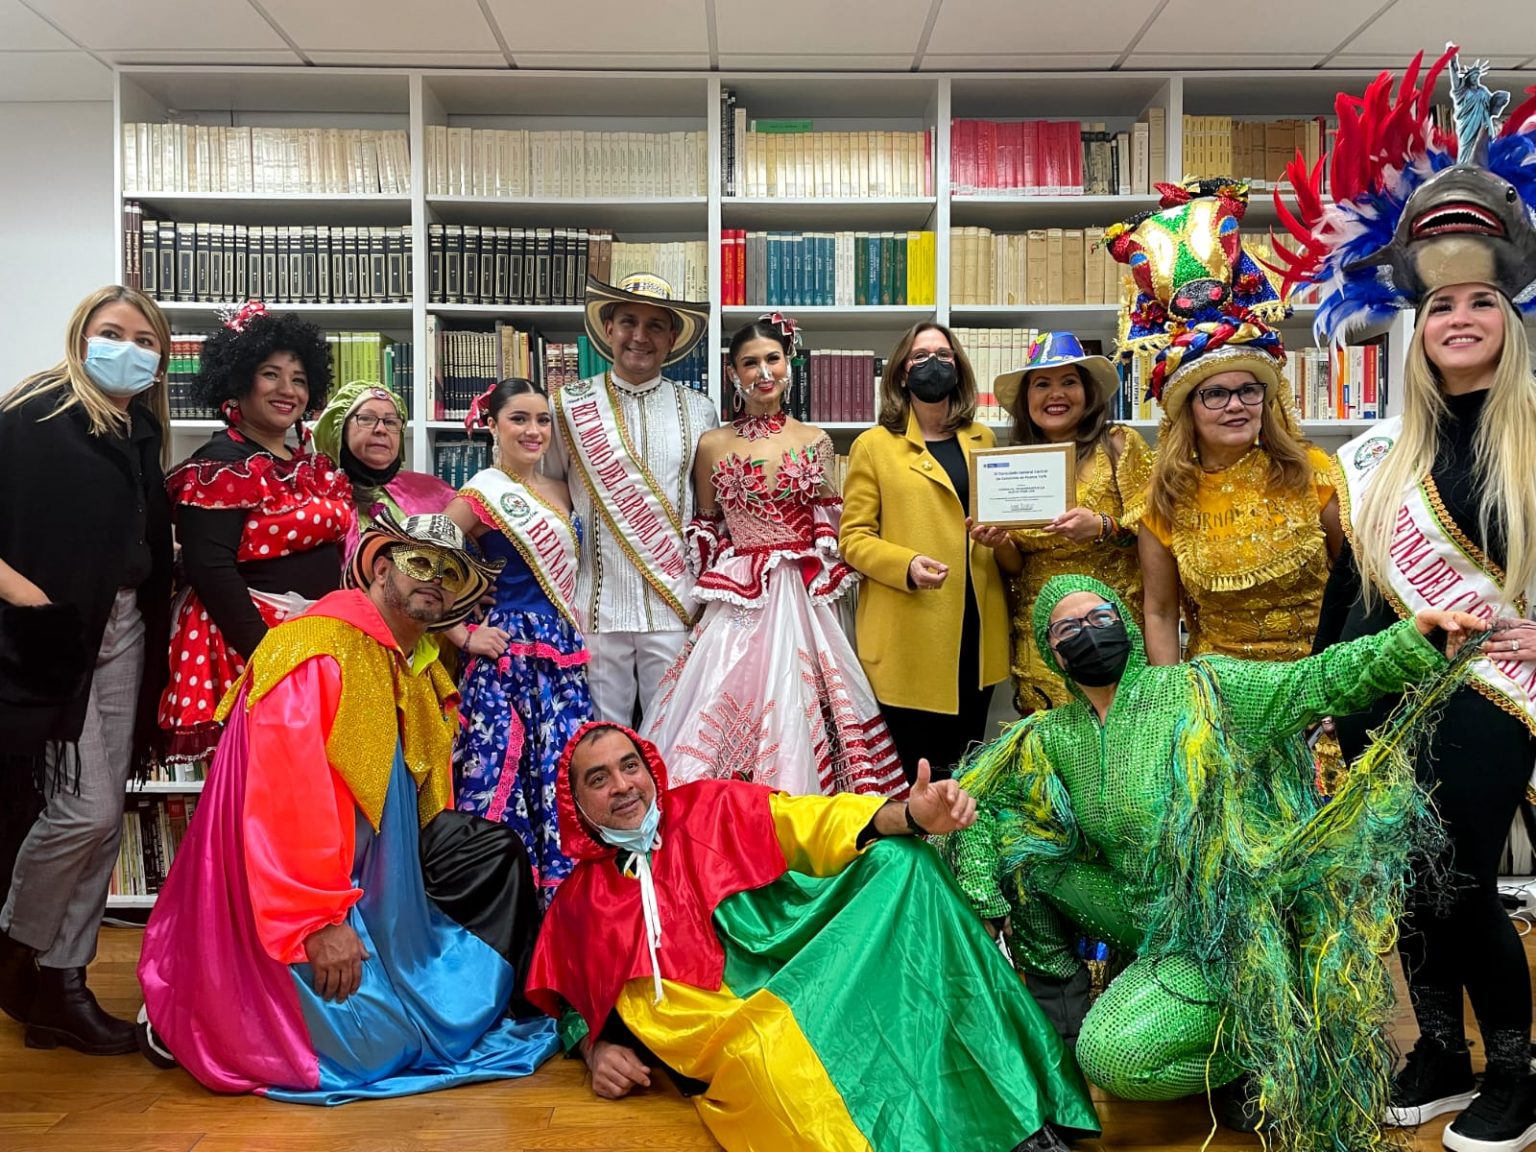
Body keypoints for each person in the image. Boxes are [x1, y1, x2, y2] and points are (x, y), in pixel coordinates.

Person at [949, 573, 1487, 1152]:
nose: (1088, 634)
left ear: (1125, 624)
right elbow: (976, 804)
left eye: (1100, 618)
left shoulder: (1202, 689)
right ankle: (1061, 1040)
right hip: (1135, 915)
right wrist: (983, 904)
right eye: (1068, 629)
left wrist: (1410, 641)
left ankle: (1270, 1039)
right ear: (1051, 654)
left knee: (1117, 1058)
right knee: (1027, 855)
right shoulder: (1050, 735)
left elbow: (1313, 681)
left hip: (1219, 928)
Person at [1276, 46, 1536, 1151]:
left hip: (1497, 686)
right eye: (1441, 308)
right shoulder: (1386, 456)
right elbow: (1360, 587)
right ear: (1415, 331)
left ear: (1510, 320)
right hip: (1396, 683)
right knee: (1406, 881)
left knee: (1462, 875)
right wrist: (1339, 696)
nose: (1459, 318)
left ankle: (1519, 1073)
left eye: (1481, 300)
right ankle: (1436, 1048)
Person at [136, 511, 560, 1101]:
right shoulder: (319, 647)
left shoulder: (405, 658)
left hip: (376, 873)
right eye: (419, 564)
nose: (433, 579)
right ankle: (198, 1006)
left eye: (451, 572)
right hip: (294, 895)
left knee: (493, 857)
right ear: (380, 568)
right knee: (372, 1049)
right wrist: (318, 922)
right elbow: (286, 796)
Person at [527, 721, 1100, 1152]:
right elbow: (576, 994)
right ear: (576, 805)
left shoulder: (710, 808)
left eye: (630, 767)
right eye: (597, 780)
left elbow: (811, 821)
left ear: (650, 769)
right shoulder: (577, 904)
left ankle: (1019, 1119)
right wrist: (594, 1047)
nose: (623, 787)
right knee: (779, 1071)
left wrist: (908, 817)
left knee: (903, 864)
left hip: (800, 968)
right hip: (729, 1037)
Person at [0, 285, 173, 1055]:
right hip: (54, 638)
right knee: (86, 812)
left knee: (105, 821)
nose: (128, 348)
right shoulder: (34, 416)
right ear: (81, 335)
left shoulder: (139, 430)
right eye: (112, 332)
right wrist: (29, 598)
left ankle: (61, 989)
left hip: (126, 630)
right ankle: (15, 951)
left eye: (144, 338)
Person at [641, 315, 905, 797]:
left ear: (788, 365)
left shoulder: (815, 439)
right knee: (721, 693)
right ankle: (729, 808)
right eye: (749, 363)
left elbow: (831, 521)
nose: (763, 372)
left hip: (804, 591)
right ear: (733, 374)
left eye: (772, 359)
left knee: (808, 697)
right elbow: (707, 524)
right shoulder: (713, 444)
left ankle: (807, 809)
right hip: (740, 592)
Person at [1105, 180, 1341, 668]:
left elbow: (1355, 585)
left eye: (1248, 390)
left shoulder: (1310, 471)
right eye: (1215, 393)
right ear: (1188, 407)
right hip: (1220, 702)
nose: (1236, 405)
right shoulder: (1164, 498)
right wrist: (1173, 705)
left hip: (1319, 690)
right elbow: (1161, 611)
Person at [158, 301, 354, 769]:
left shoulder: (304, 463)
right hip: (250, 647)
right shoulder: (218, 465)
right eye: (271, 374)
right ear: (239, 379)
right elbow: (210, 569)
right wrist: (269, 655)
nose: (288, 389)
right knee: (259, 796)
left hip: (308, 640)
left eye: (300, 379)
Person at [840, 322, 1014, 780]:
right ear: (901, 373)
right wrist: (907, 564)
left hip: (975, 630)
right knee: (916, 777)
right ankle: (918, 853)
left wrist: (1003, 540)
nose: (933, 364)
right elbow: (853, 539)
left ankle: (959, 852)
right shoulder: (873, 446)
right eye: (920, 356)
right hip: (910, 633)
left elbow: (1001, 524)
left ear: (958, 368)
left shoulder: (984, 439)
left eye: (943, 354)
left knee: (966, 775)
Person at [444, 377, 592, 903]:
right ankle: (501, 908)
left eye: (542, 420)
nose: (533, 431)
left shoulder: (559, 491)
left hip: (562, 656)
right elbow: (420, 564)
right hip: (507, 657)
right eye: (519, 419)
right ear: (492, 426)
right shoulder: (480, 495)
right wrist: (462, 634)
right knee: (501, 773)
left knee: (562, 773)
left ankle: (565, 911)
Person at [546, 273, 716, 725]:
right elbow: (550, 495)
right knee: (603, 739)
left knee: (675, 737)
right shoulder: (566, 404)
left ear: (672, 337)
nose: (639, 336)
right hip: (597, 606)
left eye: (655, 325)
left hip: (675, 604)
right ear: (608, 329)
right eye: (628, 322)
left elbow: (707, 506)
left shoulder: (700, 409)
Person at [989, 331, 1152, 711]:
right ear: (1026, 399)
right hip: (1042, 637)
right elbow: (1017, 567)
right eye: (1042, 384)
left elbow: (1157, 532)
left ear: (1088, 392)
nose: (1056, 394)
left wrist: (1102, 527)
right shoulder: (1013, 466)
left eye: (1069, 382)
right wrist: (999, 544)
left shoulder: (1118, 445)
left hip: (1111, 630)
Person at [314, 378, 455, 559]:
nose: (381, 429)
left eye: (390, 422)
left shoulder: (437, 493)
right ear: (339, 430)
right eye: (366, 419)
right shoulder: (318, 502)